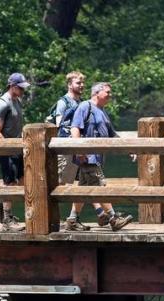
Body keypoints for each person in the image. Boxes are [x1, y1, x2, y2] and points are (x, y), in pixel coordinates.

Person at [67, 82, 133, 231]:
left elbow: (112, 135)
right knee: (100, 185)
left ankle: (72, 220)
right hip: (88, 157)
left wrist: (128, 149)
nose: (110, 95)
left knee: (83, 189)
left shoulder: (102, 111)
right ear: (97, 93)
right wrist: (79, 150)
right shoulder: (85, 106)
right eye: (108, 92)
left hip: (97, 158)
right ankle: (113, 218)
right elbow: (75, 127)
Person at [50, 71, 94, 231]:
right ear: (69, 84)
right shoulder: (63, 102)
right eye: (78, 83)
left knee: (83, 181)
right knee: (60, 184)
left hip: (79, 148)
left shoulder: (81, 102)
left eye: (82, 83)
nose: (81, 86)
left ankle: (73, 219)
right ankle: (53, 217)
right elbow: (59, 126)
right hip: (66, 149)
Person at [0, 72, 29, 232]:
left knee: (24, 179)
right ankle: (7, 220)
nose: (23, 90)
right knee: (10, 183)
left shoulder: (17, 101)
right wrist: (8, 148)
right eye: (20, 87)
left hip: (17, 148)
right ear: (12, 86)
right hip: (6, 148)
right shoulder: (3, 104)